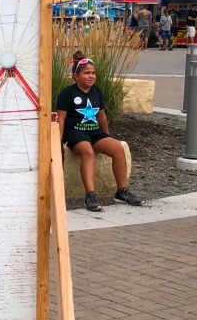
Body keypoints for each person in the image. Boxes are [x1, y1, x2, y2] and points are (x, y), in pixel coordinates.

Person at [55, 51, 142, 212]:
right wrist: (58, 142)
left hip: (94, 131)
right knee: (88, 152)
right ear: (76, 76)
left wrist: (106, 136)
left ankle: (121, 191)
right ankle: (90, 195)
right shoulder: (67, 93)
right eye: (86, 73)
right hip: (74, 132)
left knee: (117, 148)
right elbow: (60, 119)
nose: (91, 76)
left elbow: (101, 117)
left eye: (93, 73)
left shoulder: (96, 91)